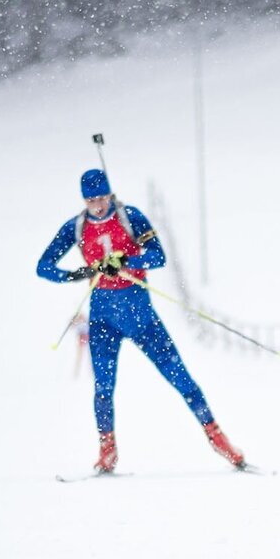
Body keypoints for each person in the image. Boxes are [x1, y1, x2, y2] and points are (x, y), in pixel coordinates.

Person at [35, 168, 245, 473]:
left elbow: (158, 256)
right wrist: (75, 274)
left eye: (101, 197)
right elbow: (43, 266)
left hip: (139, 315)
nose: (97, 204)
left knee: (180, 377)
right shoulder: (76, 227)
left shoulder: (129, 216)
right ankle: (107, 450)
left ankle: (218, 438)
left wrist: (127, 261)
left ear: (110, 193)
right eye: (91, 199)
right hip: (102, 318)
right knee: (103, 387)